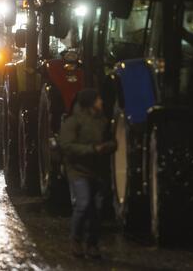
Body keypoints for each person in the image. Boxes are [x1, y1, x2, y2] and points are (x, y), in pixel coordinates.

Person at [58, 88, 117, 259]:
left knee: (96, 209)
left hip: (97, 171)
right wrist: (92, 150)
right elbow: (67, 146)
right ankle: (76, 240)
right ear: (90, 102)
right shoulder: (73, 122)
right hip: (78, 170)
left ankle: (92, 244)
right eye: (98, 99)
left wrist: (109, 147)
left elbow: (112, 141)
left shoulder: (102, 121)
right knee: (83, 204)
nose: (101, 102)